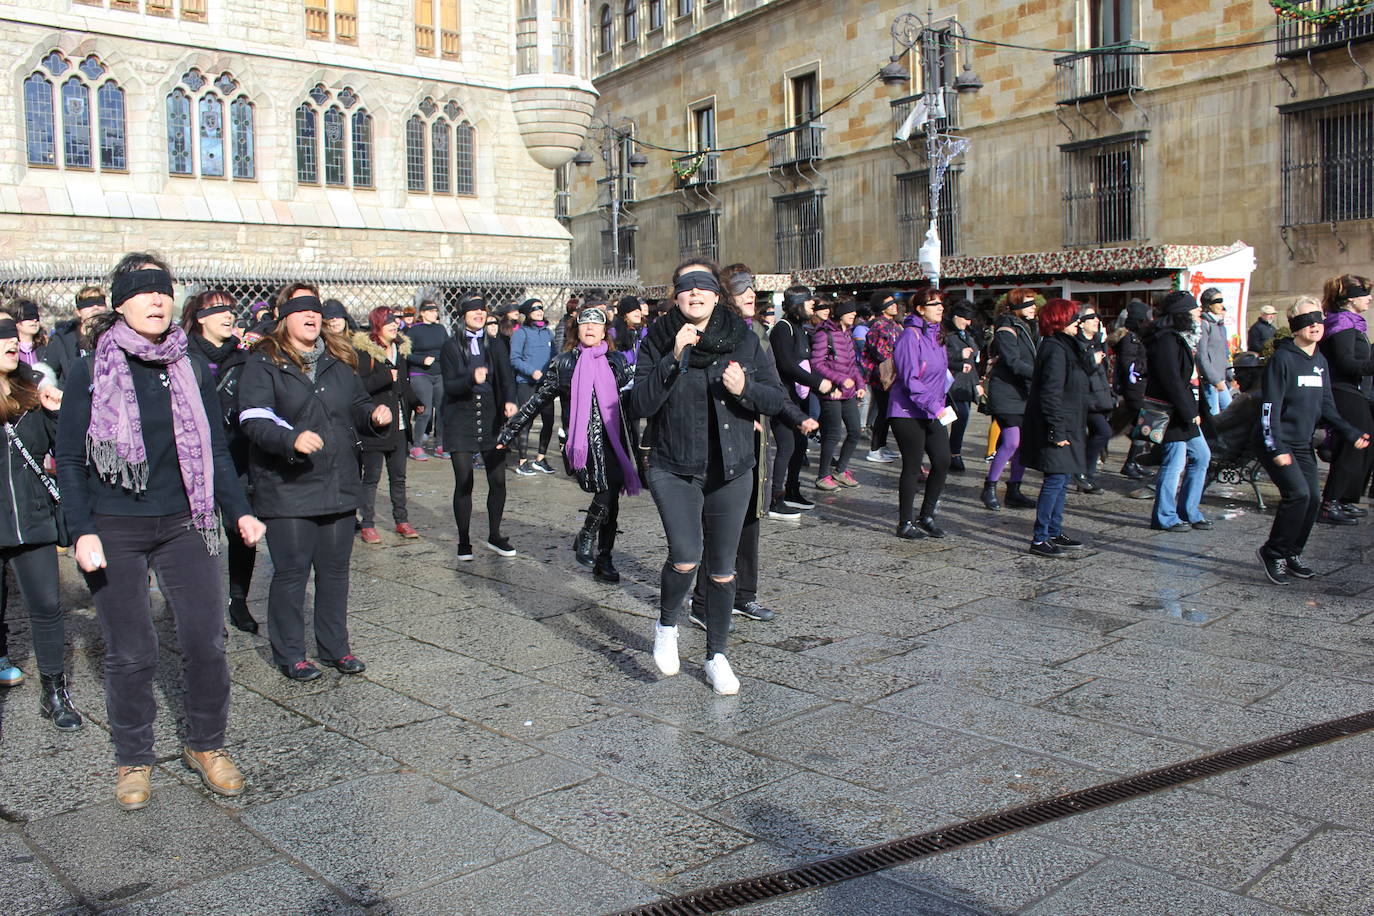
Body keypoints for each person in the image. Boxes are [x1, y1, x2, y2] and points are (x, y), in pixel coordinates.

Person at [56, 253, 266, 810]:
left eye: (163, 289)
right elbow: (71, 458)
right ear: (119, 303)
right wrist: (81, 530)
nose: (156, 298)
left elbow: (215, 447)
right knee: (131, 651)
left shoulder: (188, 364)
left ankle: (206, 744)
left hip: (184, 521)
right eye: (142, 290)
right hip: (115, 524)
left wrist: (238, 510)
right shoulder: (91, 368)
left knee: (206, 640)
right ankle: (134, 757)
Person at [630, 260, 786, 696]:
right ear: (676, 296)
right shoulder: (657, 340)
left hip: (730, 468)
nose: (695, 293)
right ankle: (667, 626)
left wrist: (745, 390)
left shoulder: (744, 339)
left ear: (717, 295)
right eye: (686, 287)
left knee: (722, 570)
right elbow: (639, 404)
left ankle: (717, 655)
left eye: (703, 286)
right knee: (685, 556)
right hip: (673, 465)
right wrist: (673, 359)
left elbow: (776, 399)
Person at [239, 289, 391, 682]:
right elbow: (253, 418)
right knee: (292, 573)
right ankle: (291, 653)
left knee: (335, 572)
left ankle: (335, 648)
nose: (310, 316)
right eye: (300, 309)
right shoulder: (264, 361)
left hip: (337, 480)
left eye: (315, 310)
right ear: (284, 317)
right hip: (287, 485)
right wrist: (289, 439)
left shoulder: (338, 357)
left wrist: (372, 415)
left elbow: (356, 404)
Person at [688, 265, 817, 624]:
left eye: (753, 289)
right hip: (717, 441)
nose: (750, 295)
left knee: (750, 518)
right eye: (741, 288)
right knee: (718, 523)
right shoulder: (706, 332)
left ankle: (744, 595)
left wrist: (795, 417)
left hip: (753, 439)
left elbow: (771, 387)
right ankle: (703, 603)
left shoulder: (755, 334)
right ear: (724, 295)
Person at [499, 306, 639, 582]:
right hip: (582, 442)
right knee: (606, 491)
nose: (590, 328)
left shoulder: (616, 361)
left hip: (614, 439)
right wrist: (509, 432)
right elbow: (537, 401)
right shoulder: (563, 363)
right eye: (585, 324)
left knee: (611, 500)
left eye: (596, 325)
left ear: (604, 331)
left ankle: (605, 559)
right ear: (577, 330)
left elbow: (632, 397)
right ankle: (586, 534)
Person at [1256, 296, 1370, 584]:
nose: (1315, 325)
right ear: (1295, 326)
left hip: (1302, 443)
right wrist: (1276, 447)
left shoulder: (1320, 361)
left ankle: (1292, 552)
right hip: (1278, 442)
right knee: (1298, 494)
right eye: (1307, 320)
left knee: (1313, 500)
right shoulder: (1282, 359)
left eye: (1319, 318)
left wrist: (1351, 432)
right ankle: (1273, 552)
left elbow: (1327, 406)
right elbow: (1269, 408)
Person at [0, 318, 78, 729]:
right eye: (1, 338)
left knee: (47, 606)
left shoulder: (32, 389)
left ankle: (54, 693)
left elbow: (64, 448)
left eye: (13, 337)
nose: (11, 342)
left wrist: (59, 412)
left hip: (32, 519)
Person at [182, 289, 259, 634]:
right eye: (218, 310)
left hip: (237, 455)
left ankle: (238, 600)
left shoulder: (245, 357)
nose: (229, 315)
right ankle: (206, 604)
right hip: (194, 458)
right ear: (199, 318)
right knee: (201, 534)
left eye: (231, 309)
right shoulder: (181, 356)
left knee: (241, 530)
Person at [440, 296, 518, 560]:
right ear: (463, 315)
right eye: (473, 310)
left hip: (490, 415)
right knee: (464, 481)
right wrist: (470, 378)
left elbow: (507, 379)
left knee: (498, 480)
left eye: (482, 309)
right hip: (459, 416)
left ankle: (495, 535)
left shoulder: (495, 344)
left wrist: (510, 401)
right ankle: (464, 541)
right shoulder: (451, 346)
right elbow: (450, 385)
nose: (479, 313)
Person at [1021, 299, 1094, 557]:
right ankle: (1040, 537)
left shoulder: (1067, 345)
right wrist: (1056, 429)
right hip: (1058, 424)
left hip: (1070, 421)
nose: (1078, 322)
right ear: (1060, 321)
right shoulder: (1054, 348)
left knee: (1062, 478)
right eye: (1073, 317)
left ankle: (1054, 530)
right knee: (1055, 479)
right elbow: (1050, 393)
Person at [1145, 291, 1211, 532]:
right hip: (1172, 412)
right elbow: (1171, 380)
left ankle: (1188, 510)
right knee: (1174, 462)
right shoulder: (1166, 340)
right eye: (1194, 309)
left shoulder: (1180, 337)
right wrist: (1188, 411)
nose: (1199, 312)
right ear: (1182, 314)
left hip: (1184, 409)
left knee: (1202, 456)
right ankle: (1165, 516)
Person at [766, 286, 834, 518]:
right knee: (786, 446)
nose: (813, 306)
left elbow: (807, 364)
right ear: (797, 304)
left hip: (799, 398)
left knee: (799, 445)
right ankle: (775, 498)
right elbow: (786, 365)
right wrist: (817, 382)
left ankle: (793, 491)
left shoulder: (801, 329)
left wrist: (827, 383)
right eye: (809, 302)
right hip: (782, 397)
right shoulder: (782, 329)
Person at [354, 308, 420, 543]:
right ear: (377, 326)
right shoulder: (365, 352)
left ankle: (402, 520)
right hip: (376, 424)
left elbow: (403, 384)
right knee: (371, 477)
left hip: (399, 423)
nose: (394, 325)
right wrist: (385, 377)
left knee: (399, 476)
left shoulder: (400, 349)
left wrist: (416, 402)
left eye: (395, 322)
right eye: (389, 322)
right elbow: (359, 387)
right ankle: (368, 524)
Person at [890, 292, 951, 539]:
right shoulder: (909, 335)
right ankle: (905, 522)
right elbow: (910, 379)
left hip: (933, 409)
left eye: (941, 303)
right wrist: (934, 406)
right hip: (906, 411)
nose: (940, 307)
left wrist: (942, 403)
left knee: (943, 460)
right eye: (934, 304)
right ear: (920, 309)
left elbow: (941, 374)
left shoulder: (938, 335)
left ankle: (927, 516)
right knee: (913, 466)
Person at [1317, 274, 1374, 525]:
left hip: (1353, 391)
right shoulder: (1342, 323)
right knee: (1353, 444)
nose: (1370, 298)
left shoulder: (1353, 323)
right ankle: (1330, 504)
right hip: (1343, 391)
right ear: (1350, 299)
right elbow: (1346, 363)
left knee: (1364, 444)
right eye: (1365, 294)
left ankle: (1345, 499)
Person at [983, 288, 1041, 510]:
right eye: (1029, 303)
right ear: (1016, 306)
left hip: (1023, 392)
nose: (1033, 307)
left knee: (1022, 444)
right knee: (1012, 442)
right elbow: (1013, 362)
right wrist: (1040, 374)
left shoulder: (1029, 327)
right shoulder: (1006, 328)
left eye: (1034, 303)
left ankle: (1014, 490)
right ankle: (990, 486)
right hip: (1006, 392)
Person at [811, 299, 866, 491]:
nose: (854, 314)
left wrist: (860, 384)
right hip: (831, 393)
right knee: (833, 434)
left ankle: (840, 471)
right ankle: (822, 476)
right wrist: (840, 379)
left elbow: (853, 365)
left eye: (854, 311)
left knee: (855, 431)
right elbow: (816, 364)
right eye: (849, 311)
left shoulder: (847, 333)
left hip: (848, 393)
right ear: (839, 313)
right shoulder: (824, 334)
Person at [509, 299, 557, 476]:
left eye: (541, 307)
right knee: (526, 422)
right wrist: (531, 371)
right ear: (527, 312)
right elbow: (514, 359)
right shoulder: (521, 333)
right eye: (535, 308)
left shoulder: (548, 333)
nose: (539, 311)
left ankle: (540, 459)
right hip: (526, 383)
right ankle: (522, 461)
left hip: (545, 384)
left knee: (549, 421)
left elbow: (554, 355)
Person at [1111, 299, 1152, 479]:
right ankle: (1130, 463)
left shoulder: (1137, 336)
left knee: (1139, 426)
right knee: (1143, 425)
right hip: (1135, 389)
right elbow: (1129, 365)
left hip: (1139, 387)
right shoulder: (1130, 338)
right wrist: (1149, 366)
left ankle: (1134, 462)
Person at [1076, 309, 1114, 494]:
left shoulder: (1097, 342)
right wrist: (1093, 359)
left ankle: (1085, 476)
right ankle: (1083, 474)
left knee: (1098, 433)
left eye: (1097, 317)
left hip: (1099, 397)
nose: (1096, 320)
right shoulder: (1077, 343)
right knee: (1102, 432)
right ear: (1081, 323)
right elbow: (1080, 370)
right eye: (1091, 318)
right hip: (1086, 398)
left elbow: (1103, 370)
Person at [861, 289, 902, 464]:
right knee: (883, 412)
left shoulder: (893, 325)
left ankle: (882, 446)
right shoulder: (878, 326)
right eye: (889, 304)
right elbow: (880, 352)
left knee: (886, 412)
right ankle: (875, 449)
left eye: (894, 302)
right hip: (882, 376)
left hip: (892, 374)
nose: (894, 306)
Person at [405, 300, 449, 461]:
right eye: (430, 310)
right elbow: (406, 353)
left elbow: (447, 349)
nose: (434, 313)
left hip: (440, 374)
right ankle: (417, 446)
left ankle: (441, 444)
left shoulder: (440, 329)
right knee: (425, 411)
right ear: (422, 313)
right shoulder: (414, 330)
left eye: (435, 310)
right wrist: (421, 360)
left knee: (442, 410)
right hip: (420, 374)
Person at [943, 298, 982, 473]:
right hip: (949, 385)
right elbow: (938, 358)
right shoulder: (945, 334)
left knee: (962, 418)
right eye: (966, 318)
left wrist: (976, 383)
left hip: (965, 385)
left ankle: (954, 453)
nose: (968, 323)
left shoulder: (967, 334)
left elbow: (972, 362)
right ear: (956, 316)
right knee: (949, 418)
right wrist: (959, 354)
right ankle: (949, 453)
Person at [48, 286, 109, 385]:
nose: (95, 307)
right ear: (78, 312)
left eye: (100, 302)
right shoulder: (63, 339)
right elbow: (48, 373)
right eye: (89, 303)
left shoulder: (114, 336)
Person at [1198, 288, 1232, 417]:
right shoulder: (1204, 324)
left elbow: (1223, 353)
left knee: (1230, 413)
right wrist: (1215, 379)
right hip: (1210, 381)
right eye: (1217, 301)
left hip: (1221, 378)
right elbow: (1201, 355)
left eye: (1221, 300)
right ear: (1208, 304)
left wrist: (1229, 374)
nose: (1221, 304)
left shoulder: (1219, 325)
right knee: (1214, 416)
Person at [8, 299, 49, 366]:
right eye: (29, 316)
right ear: (16, 321)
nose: (34, 320)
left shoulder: (46, 350)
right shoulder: (8, 351)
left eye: (36, 317)